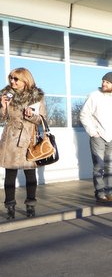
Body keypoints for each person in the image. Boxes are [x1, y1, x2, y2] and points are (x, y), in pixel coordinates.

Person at [0, 68, 46, 219]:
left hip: (29, 138)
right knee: (10, 174)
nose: (12, 81)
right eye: (11, 78)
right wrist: (3, 107)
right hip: (11, 138)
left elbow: (42, 119)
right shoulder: (7, 95)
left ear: (25, 80)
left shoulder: (36, 97)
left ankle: (31, 205)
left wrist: (32, 116)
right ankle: (10, 207)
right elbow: (2, 119)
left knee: (30, 174)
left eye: (15, 79)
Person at [80, 72, 112, 203]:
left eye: (107, 82)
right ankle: (100, 195)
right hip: (98, 136)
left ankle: (109, 193)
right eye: (103, 81)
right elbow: (84, 114)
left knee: (109, 167)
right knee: (99, 166)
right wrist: (93, 131)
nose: (104, 83)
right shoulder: (94, 96)